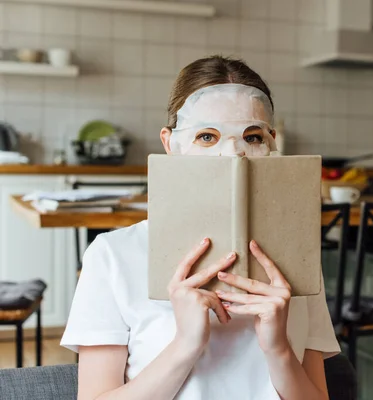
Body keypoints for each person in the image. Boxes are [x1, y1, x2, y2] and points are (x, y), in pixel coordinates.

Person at [60, 56, 340, 400]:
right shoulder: (112, 255)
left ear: (271, 143)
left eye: (252, 137)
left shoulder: (298, 259)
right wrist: (186, 345)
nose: (232, 154)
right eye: (207, 136)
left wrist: (278, 349)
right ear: (169, 144)